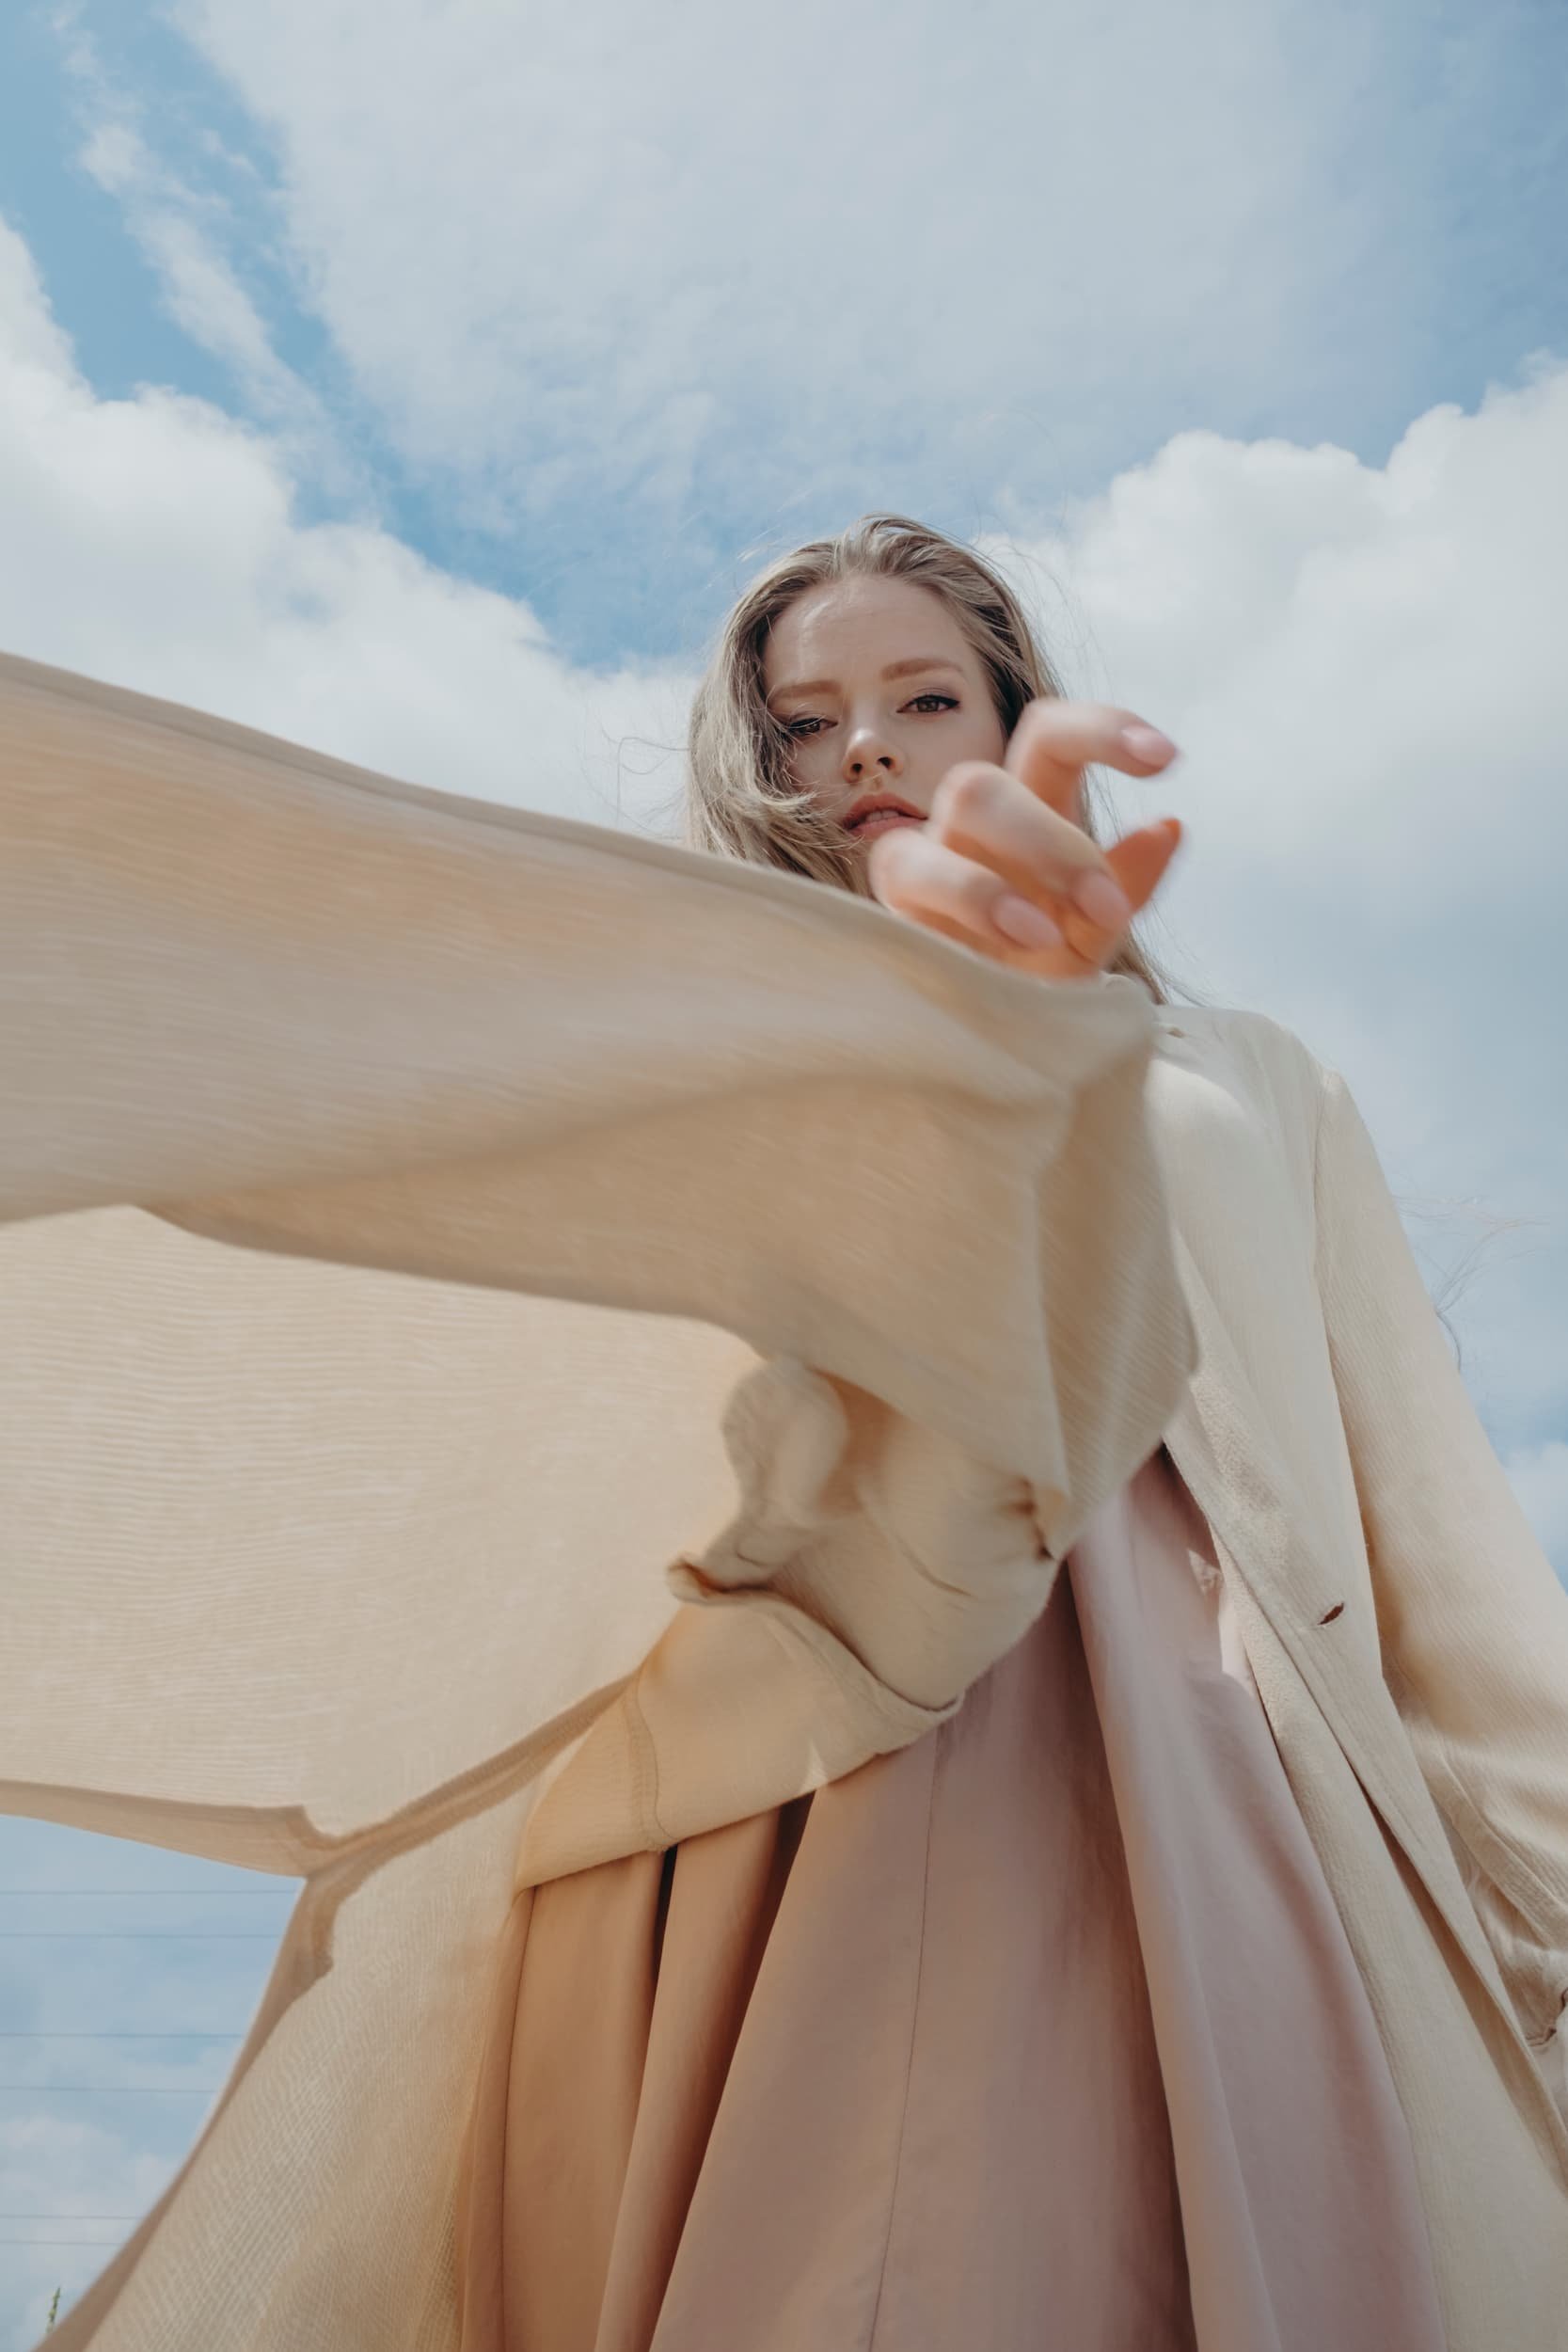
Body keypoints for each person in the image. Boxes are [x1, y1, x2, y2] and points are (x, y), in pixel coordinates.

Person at [448, 516, 1568, 2349]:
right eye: (804, 723)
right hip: (799, 1768)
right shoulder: (697, 1062)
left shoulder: (1257, 1083)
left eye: (920, 695)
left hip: (1231, 1773)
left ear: (1011, 720)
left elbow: (1434, 1537)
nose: (865, 749)